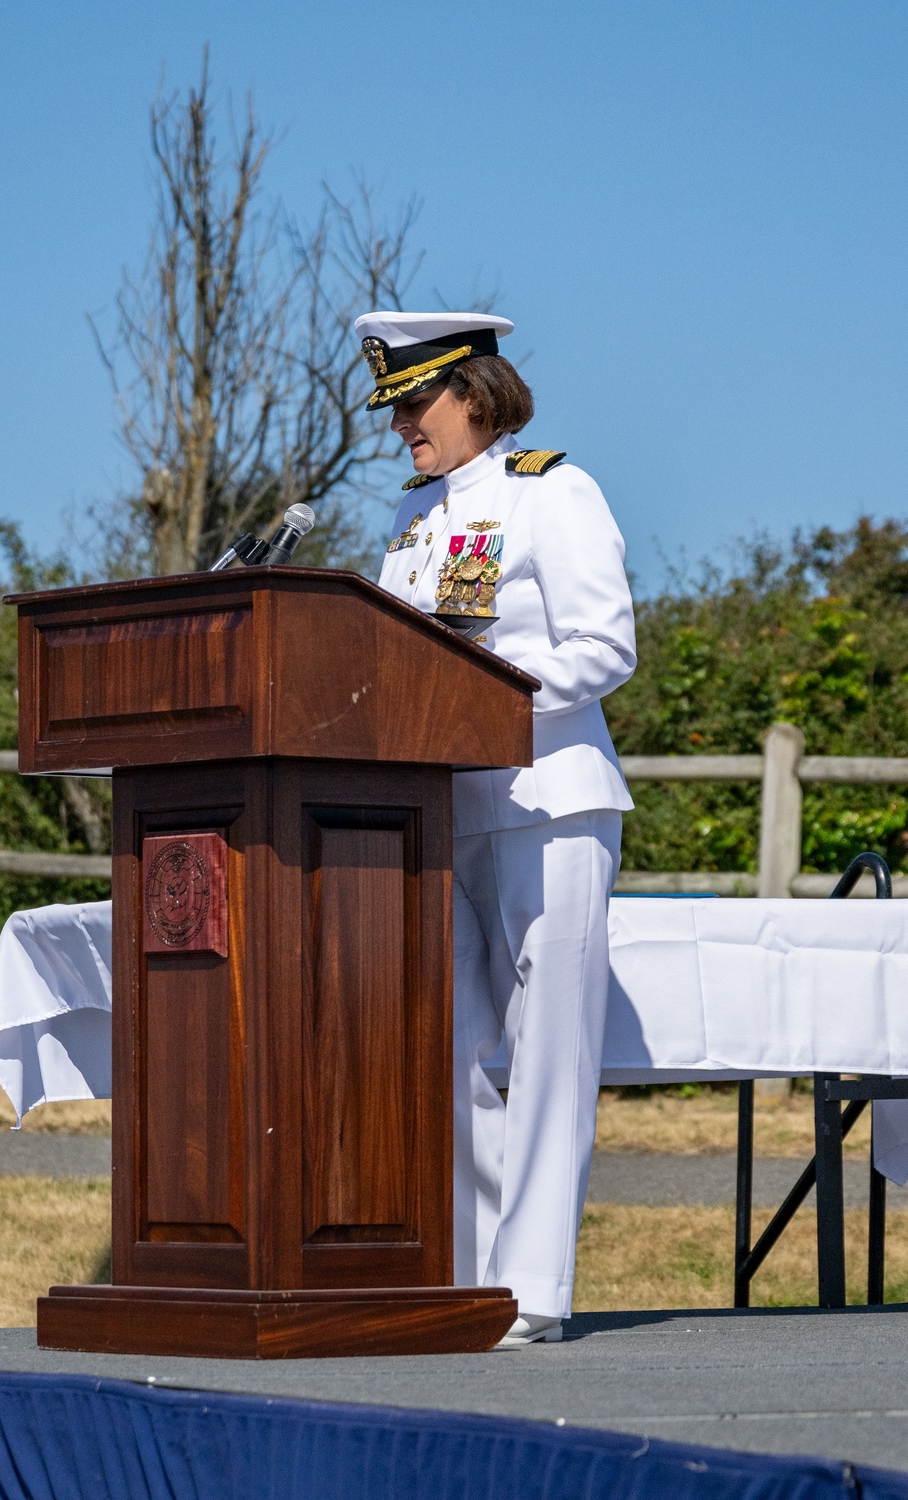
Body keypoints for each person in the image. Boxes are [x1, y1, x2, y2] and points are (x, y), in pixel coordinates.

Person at [357, 310, 637, 1345]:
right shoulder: (412, 519)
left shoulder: (551, 491)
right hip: (438, 808)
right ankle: (471, 1276)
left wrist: (480, 701)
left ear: (472, 394)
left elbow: (605, 647)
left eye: (412, 405)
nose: (399, 428)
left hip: (548, 801)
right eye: (392, 410)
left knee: (548, 1047)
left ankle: (533, 1292)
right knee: (454, 1049)